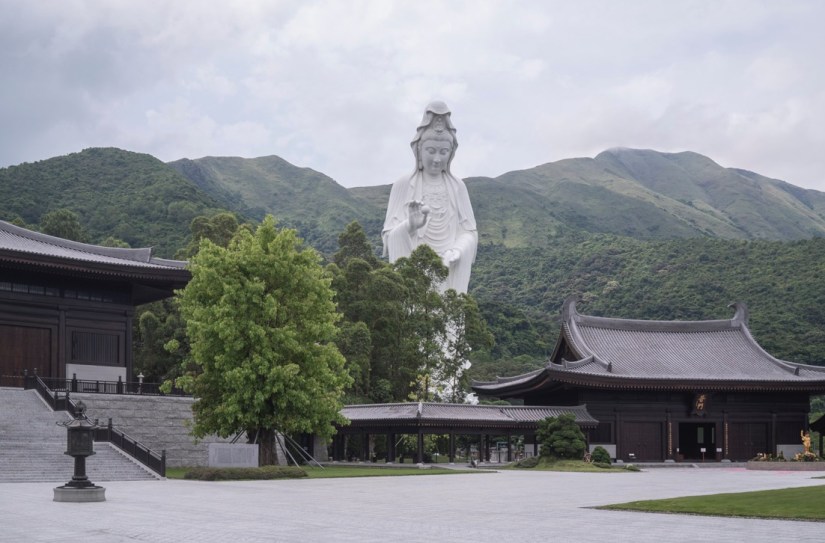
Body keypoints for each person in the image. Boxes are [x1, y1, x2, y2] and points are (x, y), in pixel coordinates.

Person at [382, 101, 477, 293]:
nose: (437, 159)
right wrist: (410, 225)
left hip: (448, 270)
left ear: (451, 154)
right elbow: (388, 237)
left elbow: (470, 232)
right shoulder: (403, 184)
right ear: (419, 150)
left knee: (447, 318)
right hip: (414, 272)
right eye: (431, 151)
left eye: (444, 152)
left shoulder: (458, 187)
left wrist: (457, 250)